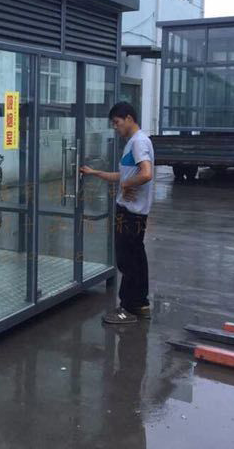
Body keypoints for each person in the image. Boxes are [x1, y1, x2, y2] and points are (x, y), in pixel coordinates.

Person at [80, 101, 154, 325]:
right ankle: (140, 305)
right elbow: (123, 176)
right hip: (132, 213)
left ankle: (127, 309)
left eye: (117, 122)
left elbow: (146, 173)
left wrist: (127, 185)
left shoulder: (139, 142)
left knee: (127, 261)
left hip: (131, 214)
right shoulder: (134, 142)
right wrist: (94, 172)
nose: (115, 127)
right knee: (136, 260)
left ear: (129, 118)